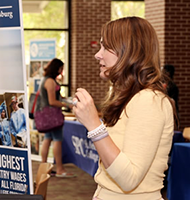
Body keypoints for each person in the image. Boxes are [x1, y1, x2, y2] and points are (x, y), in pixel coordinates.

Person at [72, 17, 175, 200]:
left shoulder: (149, 100)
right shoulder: (129, 96)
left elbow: (129, 179)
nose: (98, 55)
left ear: (129, 52)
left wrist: (94, 125)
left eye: (105, 47)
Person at [34, 58, 74, 177]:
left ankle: (44, 166)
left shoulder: (46, 80)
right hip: (53, 117)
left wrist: (65, 100)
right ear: (56, 68)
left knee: (48, 138)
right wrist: (67, 105)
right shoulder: (50, 81)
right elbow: (52, 101)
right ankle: (60, 169)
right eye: (61, 68)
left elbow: (57, 97)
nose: (61, 71)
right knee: (57, 140)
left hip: (47, 117)